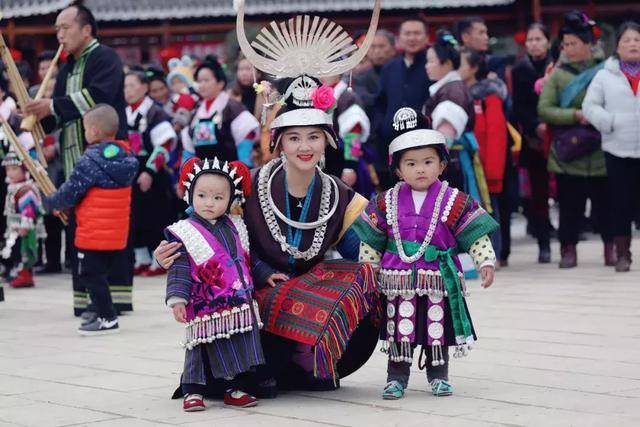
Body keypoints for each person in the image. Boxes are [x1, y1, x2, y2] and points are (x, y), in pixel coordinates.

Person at [156, 0, 383, 397]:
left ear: (328, 141)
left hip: (306, 291)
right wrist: (172, 253)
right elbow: (204, 226)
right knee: (260, 370)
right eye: (294, 138)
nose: (305, 147)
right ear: (278, 143)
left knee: (366, 280)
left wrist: (396, 260)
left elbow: (363, 248)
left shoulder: (339, 194)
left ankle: (315, 360)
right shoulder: (249, 186)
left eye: (314, 136)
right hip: (256, 295)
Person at [352, 107, 497, 399]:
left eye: (429, 161)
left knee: (437, 328)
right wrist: (369, 268)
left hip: (439, 281)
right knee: (399, 329)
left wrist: (486, 261)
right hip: (397, 280)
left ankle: (438, 376)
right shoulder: (385, 201)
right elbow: (371, 239)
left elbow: (474, 233)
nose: (421, 169)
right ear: (398, 170)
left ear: (442, 165)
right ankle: (396, 377)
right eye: (412, 163)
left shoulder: (455, 200)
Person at [25, 4, 131, 316]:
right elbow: (58, 115)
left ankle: (115, 298)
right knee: (83, 228)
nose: (59, 35)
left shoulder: (105, 58)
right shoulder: (69, 67)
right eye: (56, 29)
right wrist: (34, 119)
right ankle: (88, 299)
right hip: (77, 158)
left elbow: (101, 96)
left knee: (107, 223)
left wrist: (52, 106)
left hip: (108, 158)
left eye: (64, 28)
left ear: (86, 30)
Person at [165, 157, 264, 412]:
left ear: (230, 200)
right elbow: (180, 268)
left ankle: (234, 388)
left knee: (236, 344)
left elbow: (248, 259)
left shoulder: (236, 226)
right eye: (202, 195)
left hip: (237, 301)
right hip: (203, 302)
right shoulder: (184, 231)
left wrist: (266, 275)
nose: (209, 203)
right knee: (198, 349)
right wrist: (178, 299)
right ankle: (193, 390)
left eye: (218, 198)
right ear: (190, 194)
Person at [42, 104, 138, 334]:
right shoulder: (125, 156)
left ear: (93, 131)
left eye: (85, 129)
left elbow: (71, 191)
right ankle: (99, 309)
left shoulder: (90, 160)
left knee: (89, 273)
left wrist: (50, 202)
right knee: (100, 273)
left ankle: (107, 318)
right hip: (115, 231)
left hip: (94, 232)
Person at [538, 11, 614, 269]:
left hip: (602, 149)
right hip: (568, 152)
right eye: (565, 44)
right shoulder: (558, 75)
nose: (568, 49)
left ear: (587, 44)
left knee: (606, 205)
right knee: (570, 206)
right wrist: (575, 114)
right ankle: (568, 250)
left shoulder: (608, 70)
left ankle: (611, 247)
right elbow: (545, 110)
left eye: (573, 44)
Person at [582, 21, 640, 272]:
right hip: (616, 147)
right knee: (620, 203)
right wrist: (609, 121)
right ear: (617, 45)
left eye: (637, 39)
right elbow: (590, 106)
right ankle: (623, 253)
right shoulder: (605, 75)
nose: (633, 44)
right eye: (627, 40)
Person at [124, 71, 177, 276]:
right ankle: (141, 258)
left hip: (153, 174)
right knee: (135, 217)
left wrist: (149, 171)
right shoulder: (124, 112)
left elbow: (165, 144)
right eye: (125, 86)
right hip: (131, 172)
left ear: (144, 87)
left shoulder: (155, 112)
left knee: (155, 216)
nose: (127, 90)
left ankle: (159, 260)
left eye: (131, 85)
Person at [459, 47, 508, 262]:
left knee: (489, 211)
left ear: (474, 68)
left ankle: (492, 254)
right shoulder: (456, 93)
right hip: (464, 164)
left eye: (460, 63)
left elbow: (497, 136)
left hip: (484, 168)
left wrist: (493, 173)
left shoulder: (489, 96)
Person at [512, 23, 553, 263]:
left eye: (539, 39)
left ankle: (569, 239)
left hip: (559, 136)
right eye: (530, 40)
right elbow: (518, 107)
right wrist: (535, 126)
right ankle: (543, 243)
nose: (534, 44)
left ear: (548, 42)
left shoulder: (556, 65)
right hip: (533, 139)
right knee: (538, 194)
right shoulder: (520, 70)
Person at [374, 19, 430, 188]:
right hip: (391, 142)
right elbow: (380, 102)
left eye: (417, 33)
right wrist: (380, 126)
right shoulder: (390, 67)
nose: (412, 38)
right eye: (407, 34)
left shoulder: (433, 64)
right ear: (399, 38)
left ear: (426, 37)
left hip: (424, 143)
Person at [181, 56, 259, 167]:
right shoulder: (196, 112)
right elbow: (188, 149)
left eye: (206, 80)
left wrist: (244, 167)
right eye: (199, 81)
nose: (202, 85)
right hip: (202, 176)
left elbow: (247, 135)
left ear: (220, 83)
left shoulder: (233, 108)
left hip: (230, 174)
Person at [318, 74, 373, 196]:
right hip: (325, 160)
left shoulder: (347, 97)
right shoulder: (317, 94)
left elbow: (354, 134)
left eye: (327, 70)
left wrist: (350, 167)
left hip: (343, 160)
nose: (322, 74)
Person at [1, 152, 47, 288]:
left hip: (26, 228)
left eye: (14, 169)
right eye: (8, 169)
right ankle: (20, 273)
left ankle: (25, 275)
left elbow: (29, 211)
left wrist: (25, 226)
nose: (10, 173)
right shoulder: (13, 187)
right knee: (16, 251)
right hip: (15, 227)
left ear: (25, 170)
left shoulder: (26, 189)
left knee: (25, 251)